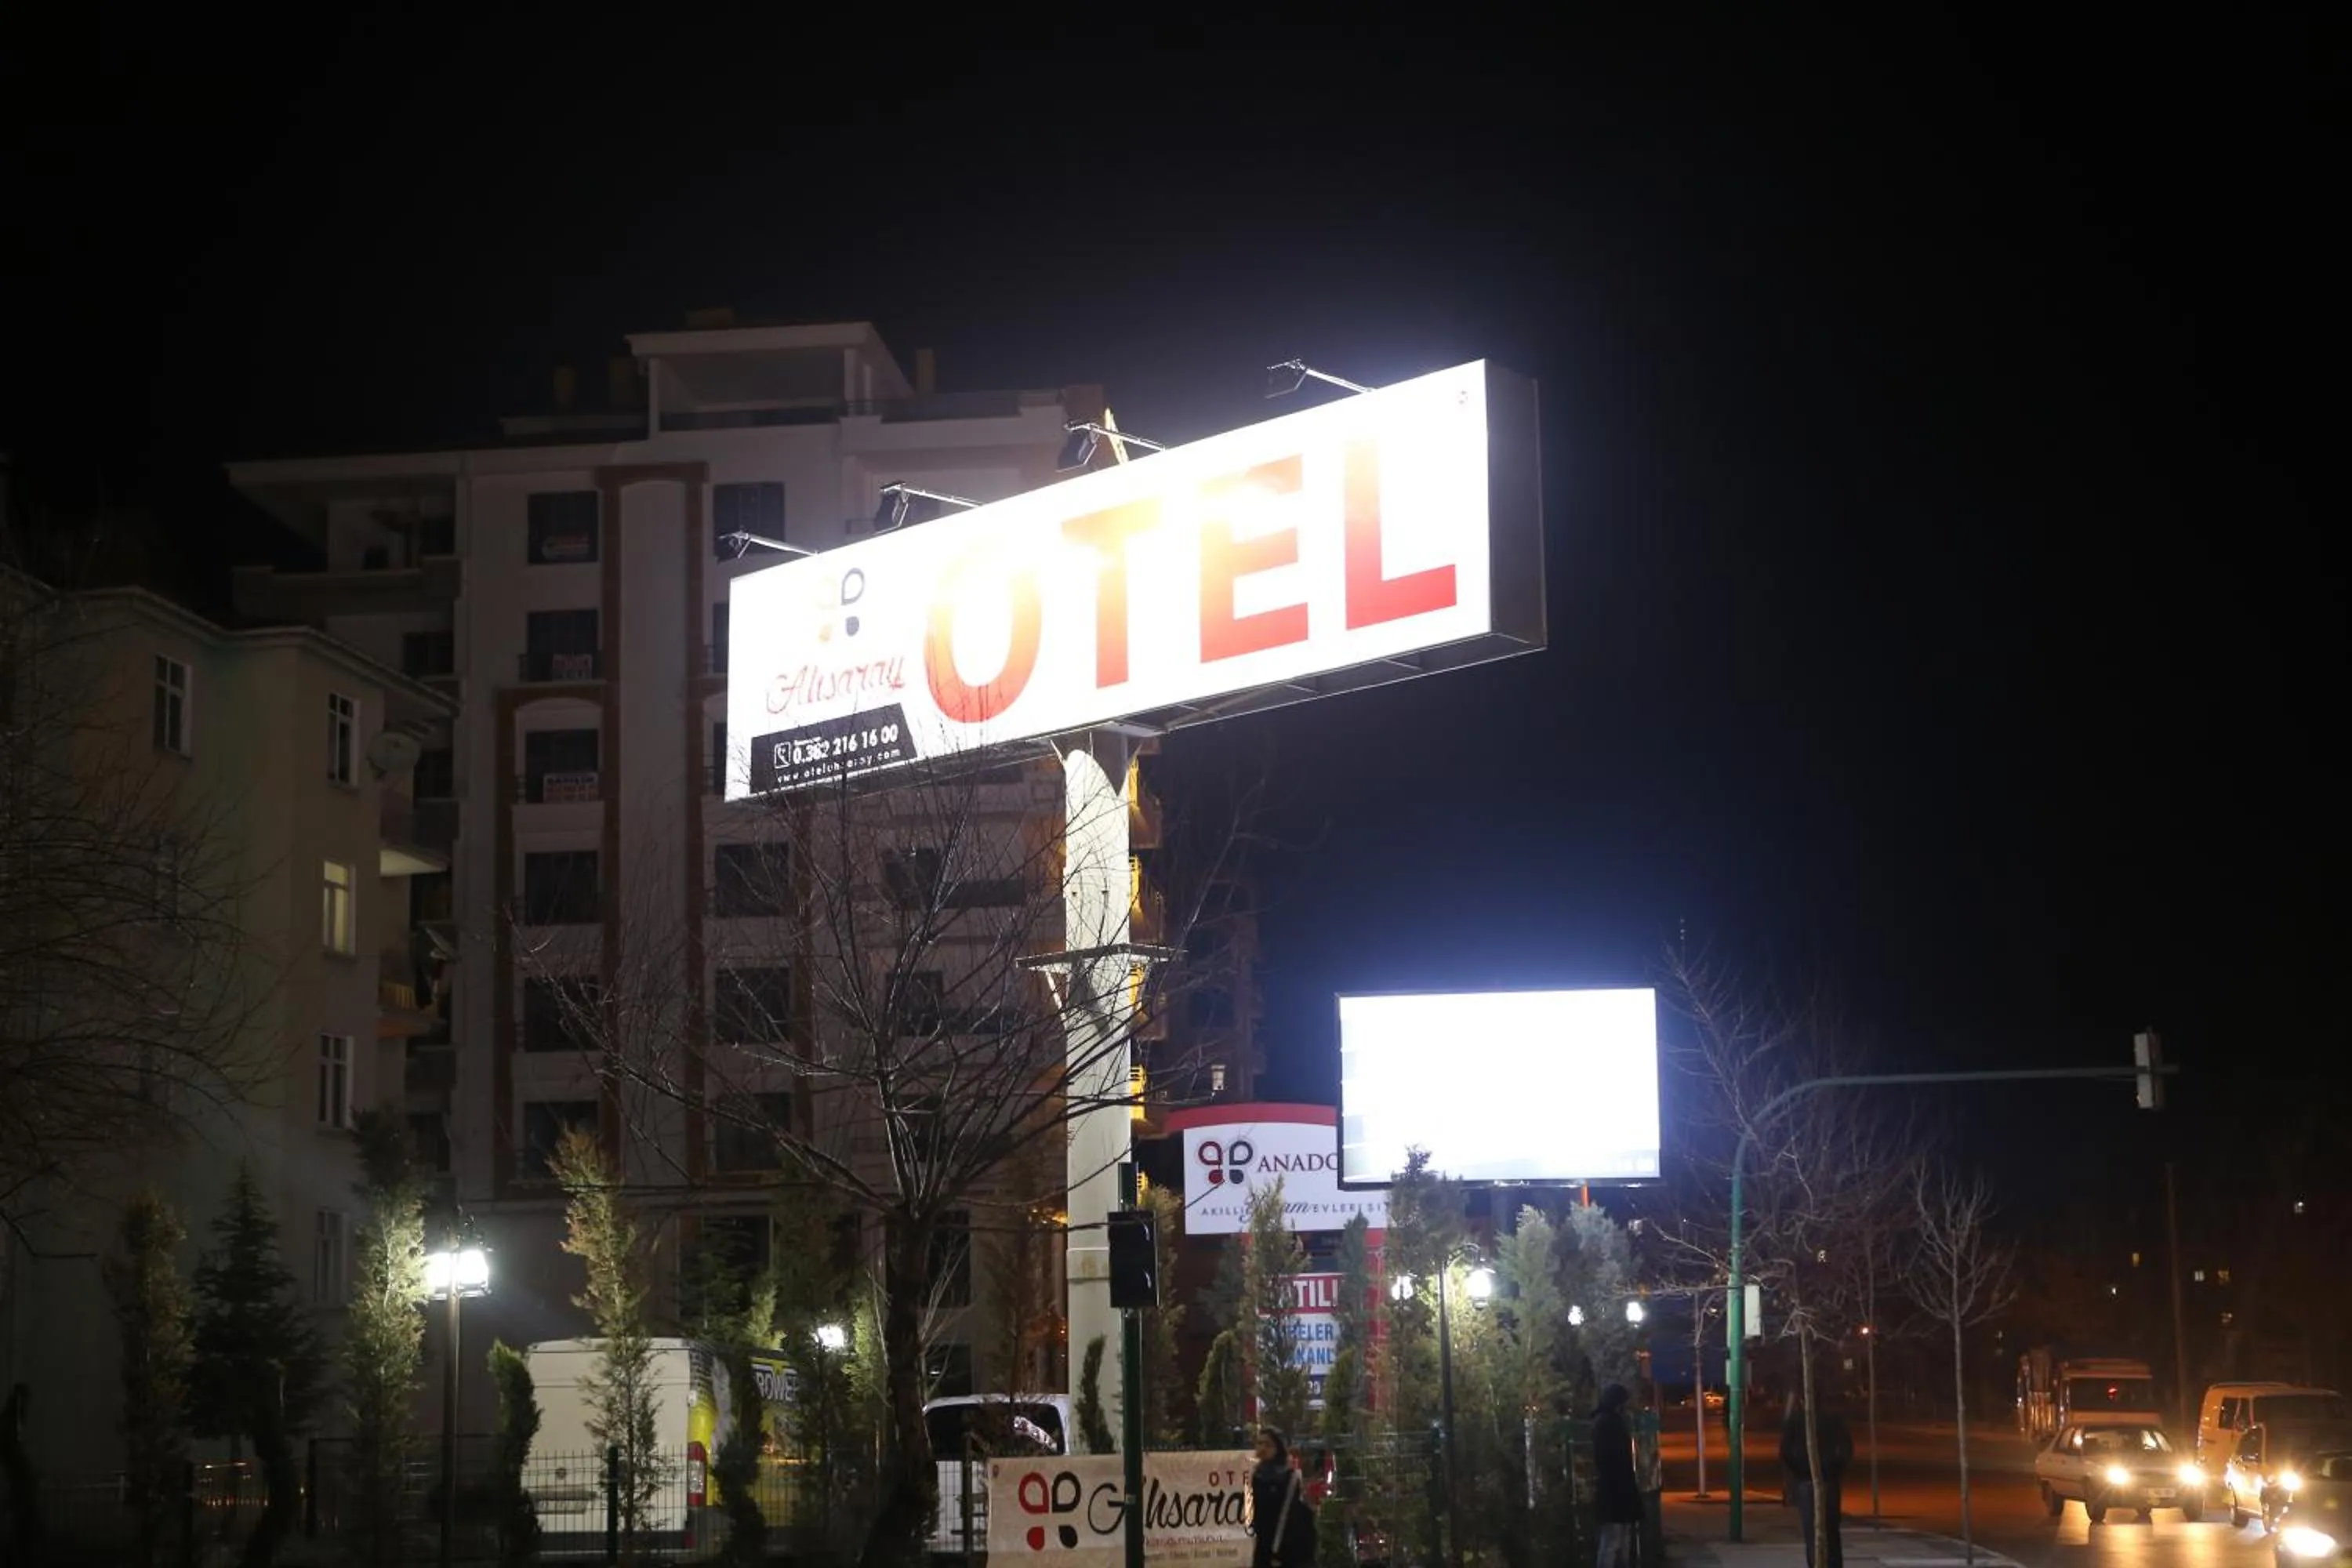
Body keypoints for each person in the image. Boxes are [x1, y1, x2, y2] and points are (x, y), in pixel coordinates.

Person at [1780, 1401, 1855, 1568]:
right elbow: (1846, 1448)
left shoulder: (1797, 1420)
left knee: (1813, 1532)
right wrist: (1835, 1469)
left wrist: (1798, 1472)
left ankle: (1817, 1563)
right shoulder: (1830, 1420)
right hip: (1826, 1479)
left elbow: (1785, 1451)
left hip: (1809, 1480)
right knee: (1831, 1530)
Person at [1250, 1426, 1316, 1568]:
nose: (1262, 1448)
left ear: (1278, 1448)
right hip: (1264, 1548)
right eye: (1259, 1443)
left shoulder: (1289, 1477)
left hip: (1289, 1551)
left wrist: (1278, 1553)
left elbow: (1292, 1517)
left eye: (1267, 1444)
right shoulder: (1258, 1476)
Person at [1592, 1383, 1642, 1568]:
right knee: (1614, 1540)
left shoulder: (1606, 1421)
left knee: (1616, 1540)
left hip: (1615, 1492)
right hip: (1616, 1491)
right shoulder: (1609, 1423)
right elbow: (1611, 1458)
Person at [1633, 1379, 1666, 1568]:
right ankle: (1653, 1552)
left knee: (1647, 1520)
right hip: (1652, 1481)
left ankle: (1650, 1555)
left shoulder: (1640, 1421)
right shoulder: (1649, 1419)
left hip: (1646, 1481)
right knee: (1651, 1519)